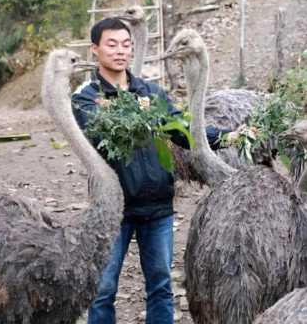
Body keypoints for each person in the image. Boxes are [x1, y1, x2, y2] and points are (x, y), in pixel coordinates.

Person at [72, 17, 234, 324]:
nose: (120, 51)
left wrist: (225, 136)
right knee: (103, 289)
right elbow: (101, 130)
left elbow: (182, 130)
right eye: (111, 44)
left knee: (160, 286)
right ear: (95, 49)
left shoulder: (152, 93)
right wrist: (137, 110)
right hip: (112, 209)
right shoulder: (87, 98)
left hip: (157, 205)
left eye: (125, 44)